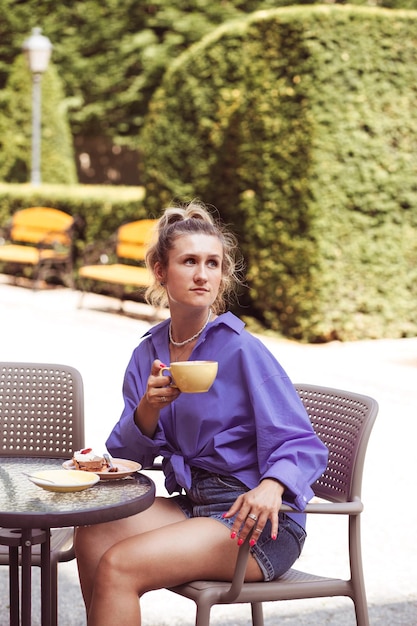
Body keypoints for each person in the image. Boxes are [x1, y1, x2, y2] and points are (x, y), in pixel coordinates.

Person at [75, 200, 328, 626]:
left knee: (121, 565)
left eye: (213, 263)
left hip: (256, 520)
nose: (202, 275)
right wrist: (148, 407)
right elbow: (123, 452)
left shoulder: (241, 349)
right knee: (94, 534)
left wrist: (273, 484)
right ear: (160, 271)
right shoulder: (149, 352)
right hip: (194, 505)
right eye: (189, 261)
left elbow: (301, 442)